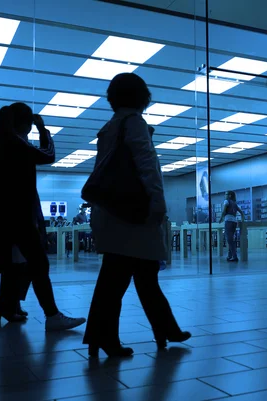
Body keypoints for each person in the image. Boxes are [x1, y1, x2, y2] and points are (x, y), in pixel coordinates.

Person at [0, 102, 86, 333]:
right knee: (39, 264)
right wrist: (44, 131)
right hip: (19, 217)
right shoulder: (15, 143)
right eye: (31, 123)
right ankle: (52, 316)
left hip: (3, 217)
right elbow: (48, 155)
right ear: (26, 123)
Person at [83, 73, 190, 358]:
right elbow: (146, 166)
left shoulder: (110, 127)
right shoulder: (134, 124)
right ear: (142, 97)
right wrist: (158, 204)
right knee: (127, 278)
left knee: (128, 277)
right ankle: (108, 336)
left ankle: (163, 329)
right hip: (134, 215)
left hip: (113, 212)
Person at [219, 191, 245, 262]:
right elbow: (241, 213)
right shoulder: (235, 203)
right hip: (234, 222)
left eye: (226, 194)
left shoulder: (226, 201)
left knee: (229, 240)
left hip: (228, 221)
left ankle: (234, 256)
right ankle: (229, 256)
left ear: (229, 195)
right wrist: (243, 220)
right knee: (231, 239)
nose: (225, 195)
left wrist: (221, 218)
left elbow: (224, 211)